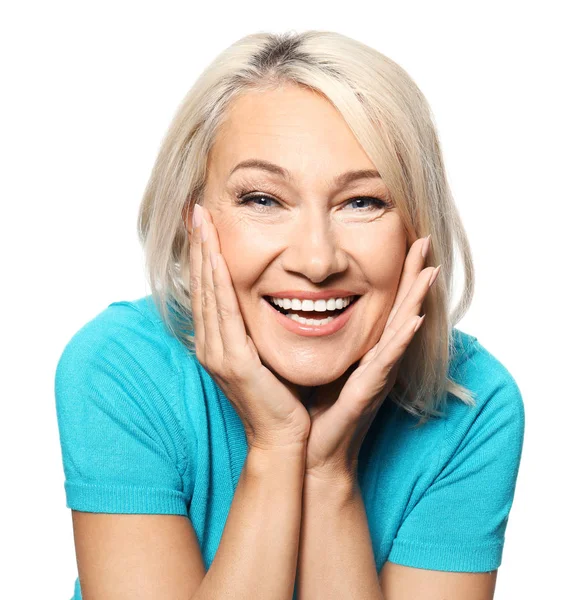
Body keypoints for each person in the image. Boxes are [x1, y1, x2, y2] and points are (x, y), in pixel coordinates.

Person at [54, 30, 525, 600]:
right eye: (263, 200)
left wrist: (330, 474)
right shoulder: (119, 369)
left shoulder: (474, 406)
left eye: (363, 202)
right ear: (193, 219)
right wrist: (276, 444)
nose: (317, 260)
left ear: (415, 227)